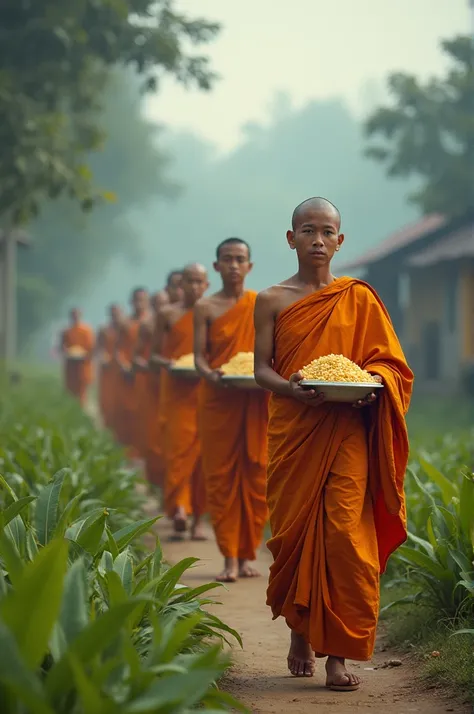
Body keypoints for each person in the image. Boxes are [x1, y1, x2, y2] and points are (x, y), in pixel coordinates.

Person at [254, 197, 414, 691]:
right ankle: (302, 631)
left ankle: (338, 655)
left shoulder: (359, 298)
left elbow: (391, 366)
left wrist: (371, 386)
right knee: (296, 533)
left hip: (346, 429)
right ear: (291, 238)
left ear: (340, 240)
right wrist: (293, 388)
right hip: (295, 430)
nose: (317, 240)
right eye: (307, 231)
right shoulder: (272, 299)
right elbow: (262, 369)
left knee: (346, 534)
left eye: (327, 232)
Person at [194, 238, 268, 582]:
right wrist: (212, 375)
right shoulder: (206, 308)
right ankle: (228, 558)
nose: (234, 265)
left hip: (256, 400)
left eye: (240, 259)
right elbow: (199, 357)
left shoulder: (261, 304)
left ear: (250, 266)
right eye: (227, 259)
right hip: (219, 400)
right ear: (217, 266)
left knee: (256, 476)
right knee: (221, 478)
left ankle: (248, 553)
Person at [151, 263, 209, 538]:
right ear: (180, 285)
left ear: (207, 285)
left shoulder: (213, 312)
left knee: (203, 458)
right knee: (178, 452)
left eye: (200, 282)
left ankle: (198, 519)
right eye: (189, 281)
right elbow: (153, 356)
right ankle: (180, 509)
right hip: (176, 391)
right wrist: (170, 362)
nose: (194, 287)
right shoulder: (167, 314)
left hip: (205, 391)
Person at [143, 274, 184, 489]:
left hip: (198, 387)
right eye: (175, 286)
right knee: (163, 438)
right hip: (162, 384)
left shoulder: (204, 313)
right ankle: (166, 491)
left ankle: (192, 509)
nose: (180, 291)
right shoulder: (159, 319)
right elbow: (150, 356)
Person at [114, 287, 150, 456]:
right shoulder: (125, 324)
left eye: (142, 300)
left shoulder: (152, 322)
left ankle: (141, 451)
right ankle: (127, 450)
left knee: (143, 413)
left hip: (144, 374)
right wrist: (124, 365)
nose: (139, 304)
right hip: (126, 375)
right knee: (126, 412)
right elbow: (118, 349)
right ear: (131, 302)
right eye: (136, 300)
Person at [96, 304, 123, 431]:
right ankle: (107, 428)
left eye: (117, 313)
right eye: (113, 313)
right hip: (107, 370)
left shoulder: (126, 328)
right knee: (106, 401)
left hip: (121, 370)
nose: (115, 316)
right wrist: (102, 357)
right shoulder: (104, 330)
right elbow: (98, 348)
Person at [60, 308, 95, 407]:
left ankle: (82, 410)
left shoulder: (86, 330)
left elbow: (91, 348)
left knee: (82, 393)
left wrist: (84, 354)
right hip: (71, 366)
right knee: (70, 392)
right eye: (73, 315)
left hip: (83, 366)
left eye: (77, 315)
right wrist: (67, 351)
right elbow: (62, 347)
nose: (75, 317)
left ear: (80, 316)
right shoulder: (66, 331)